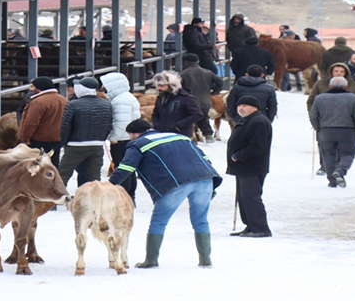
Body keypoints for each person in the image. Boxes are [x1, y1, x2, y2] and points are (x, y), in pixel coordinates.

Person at [109, 119, 222, 268]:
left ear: (136, 134)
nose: (130, 138)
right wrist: (212, 187)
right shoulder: (180, 137)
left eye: (130, 135)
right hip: (205, 179)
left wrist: (109, 185)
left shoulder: (137, 144)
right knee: (200, 221)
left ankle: (151, 260)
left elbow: (126, 168)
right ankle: (205, 260)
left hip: (175, 184)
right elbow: (205, 159)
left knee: (159, 222)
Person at [225, 95, 272, 238]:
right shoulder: (247, 120)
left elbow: (257, 146)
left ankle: (260, 228)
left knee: (251, 197)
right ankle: (250, 225)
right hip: (243, 167)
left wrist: (239, 155)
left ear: (255, 107)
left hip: (251, 166)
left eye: (245, 105)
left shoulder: (258, 121)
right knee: (244, 198)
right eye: (239, 106)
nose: (241, 108)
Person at [310, 77, 355, 188]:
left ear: (329, 86)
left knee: (328, 155)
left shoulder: (319, 98)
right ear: (346, 86)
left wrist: (318, 128)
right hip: (347, 130)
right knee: (348, 154)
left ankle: (332, 181)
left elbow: (313, 115)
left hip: (326, 130)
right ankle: (340, 170)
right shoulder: (353, 98)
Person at [58, 78, 113, 186]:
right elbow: (108, 124)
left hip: (75, 144)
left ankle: (52, 200)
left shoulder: (73, 104)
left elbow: (65, 126)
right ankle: (92, 200)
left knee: (63, 174)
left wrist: (64, 142)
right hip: (96, 145)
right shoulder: (106, 104)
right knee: (93, 177)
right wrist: (101, 139)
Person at [101, 72, 142, 202]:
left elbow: (122, 122)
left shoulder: (120, 100)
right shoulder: (125, 97)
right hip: (127, 139)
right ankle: (130, 196)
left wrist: (113, 137)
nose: (102, 87)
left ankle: (124, 197)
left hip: (122, 140)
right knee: (129, 169)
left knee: (122, 169)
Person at [18, 77, 67, 167]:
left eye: (33, 87)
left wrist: (25, 138)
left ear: (40, 87)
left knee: (36, 167)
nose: (30, 89)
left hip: (38, 141)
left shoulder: (38, 102)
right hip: (57, 141)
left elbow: (31, 123)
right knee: (52, 166)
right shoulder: (64, 100)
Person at [180, 53, 219, 143]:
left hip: (190, 101)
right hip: (206, 100)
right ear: (198, 61)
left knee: (192, 118)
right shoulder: (207, 72)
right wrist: (214, 92)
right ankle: (207, 134)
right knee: (203, 117)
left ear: (186, 62)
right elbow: (219, 82)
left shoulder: (183, 74)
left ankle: (196, 135)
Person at [150, 71, 203, 136]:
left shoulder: (186, 98)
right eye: (158, 86)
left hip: (180, 135)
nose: (159, 88)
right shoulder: (161, 98)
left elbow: (197, 114)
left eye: (162, 85)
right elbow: (155, 114)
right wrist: (157, 125)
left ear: (171, 85)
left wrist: (179, 125)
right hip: (162, 134)